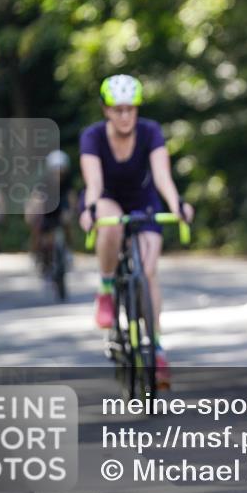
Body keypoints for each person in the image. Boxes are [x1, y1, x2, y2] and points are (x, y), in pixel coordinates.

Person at [78, 74, 194, 388]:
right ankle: (105, 289)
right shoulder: (92, 136)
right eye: (118, 110)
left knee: (149, 272)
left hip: (144, 201)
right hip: (107, 199)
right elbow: (95, 184)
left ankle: (155, 346)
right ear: (106, 110)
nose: (125, 115)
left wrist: (177, 205)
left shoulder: (150, 132)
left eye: (131, 109)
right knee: (110, 222)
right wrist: (89, 210)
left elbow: (162, 177)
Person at [26, 150, 76, 278]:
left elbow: (71, 197)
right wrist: (32, 212)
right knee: (38, 230)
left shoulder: (67, 181)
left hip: (60, 209)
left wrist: (71, 211)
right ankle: (36, 254)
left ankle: (68, 251)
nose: (58, 172)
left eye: (61, 169)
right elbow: (36, 197)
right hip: (46, 209)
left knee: (67, 224)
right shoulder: (44, 181)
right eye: (55, 169)